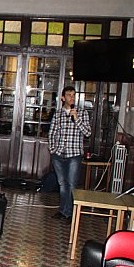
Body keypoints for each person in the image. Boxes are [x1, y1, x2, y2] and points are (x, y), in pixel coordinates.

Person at [49, 86, 91, 220]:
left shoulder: (82, 113)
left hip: (74, 155)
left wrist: (77, 119)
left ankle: (70, 214)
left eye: (73, 95)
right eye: (69, 95)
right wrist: (52, 149)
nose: (72, 98)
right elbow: (52, 133)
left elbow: (88, 133)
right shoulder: (58, 114)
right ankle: (63, 210)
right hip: (59, 154)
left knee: (72, 185)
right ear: (63, 98)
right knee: (62, 184)